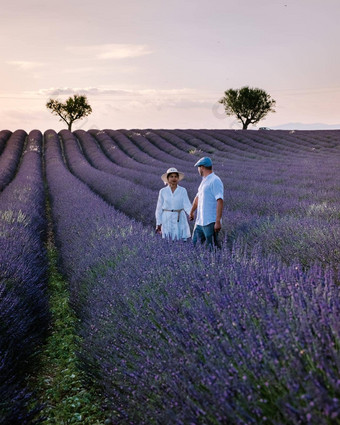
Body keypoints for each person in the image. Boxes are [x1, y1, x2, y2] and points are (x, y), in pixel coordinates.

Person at [189, 157, 224, 248]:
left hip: (210, 222)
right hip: (200, 222)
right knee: (193, 246)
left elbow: (220, 201)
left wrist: (218, 221)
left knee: (212, 248)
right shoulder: (204, 181)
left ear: (202, 167)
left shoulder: (215, 180)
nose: (198, 170)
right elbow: (197, 198)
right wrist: (192, 211)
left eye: (198, 167)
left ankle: (218, 261)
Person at [155, 167, 192, 241]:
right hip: (167, 218)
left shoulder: (182, 190)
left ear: (178, 178)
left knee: (180, 240)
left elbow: (187, 204)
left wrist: (191, 214)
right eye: (171, 176)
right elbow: (159, 208)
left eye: (175, 176)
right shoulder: (163, 191)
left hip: (179, 217)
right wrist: (158, 223)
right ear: (168, 179)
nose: (174, 178)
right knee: (168, 240)